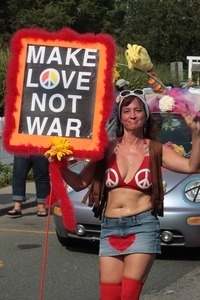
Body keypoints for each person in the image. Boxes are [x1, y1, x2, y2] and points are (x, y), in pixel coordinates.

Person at [48, 89, 200, 299]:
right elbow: (80, 182)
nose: (133, 115)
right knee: (109, 296)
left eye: (138, 110)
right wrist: (59, 164)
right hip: (110, 227)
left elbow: (192, 166)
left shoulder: (156, 149)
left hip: (143, 226)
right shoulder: (106, 149)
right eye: (127, 110)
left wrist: (196, 133)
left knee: (128, 296)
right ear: (120, 116)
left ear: (146, 115)